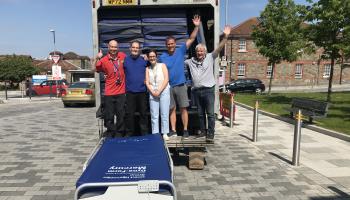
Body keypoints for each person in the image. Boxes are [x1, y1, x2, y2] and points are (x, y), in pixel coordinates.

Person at [185, 26, 231, 142]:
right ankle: (203, 131)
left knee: (210, 114)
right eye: (198, 51)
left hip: (208, 90)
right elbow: (176, 59)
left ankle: (210, 134)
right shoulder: (190, 61)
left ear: (205, 52)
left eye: (201, 51)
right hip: (197, 91)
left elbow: (220, 48)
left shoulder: (210, 57)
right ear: (196, 52)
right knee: (200, 114)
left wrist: (226, 36)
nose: (199, 53)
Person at [159, 15, 201, 139]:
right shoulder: (162, 57)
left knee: (183, 108)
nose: (170, 45)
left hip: (181, 85)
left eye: (172, 43)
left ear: (175, 44)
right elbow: (155, 67)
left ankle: (186, 130)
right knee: (172, 109)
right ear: (166, 45)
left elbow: (192, 38)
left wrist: (197, 26)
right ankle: (173, 130)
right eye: (168, 44)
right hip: (168, 87)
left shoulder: (181, 50)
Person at [93, 40, 127, 137]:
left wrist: (143, 57)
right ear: (108, 47)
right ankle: (111, 133)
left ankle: (120, 133)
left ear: (118, 47)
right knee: (109, 116)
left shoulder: (122, 56)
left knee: (121, 115)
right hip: (109, 93)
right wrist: (96, 58)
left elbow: (132, 61)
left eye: (115, 47)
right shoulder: (103, 60)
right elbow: (93, 69)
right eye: (111, 47)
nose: (113, 49)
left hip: (121, 91)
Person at [123, 41, 149, 136]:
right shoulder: (125, 60)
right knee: (129, 115)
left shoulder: (145, 60)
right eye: (133, 47)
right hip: (130, 92)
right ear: (130, 48)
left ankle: (144, 133)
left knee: (143, 114)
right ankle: (129, 133)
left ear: (139, 49)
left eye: (137, 48)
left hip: (142, 92)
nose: (135, 49)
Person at [145, 50, 170, 140]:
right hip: (152, 92)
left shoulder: (162, 65)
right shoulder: (147, 69)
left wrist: (159, 91)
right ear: (148, 58)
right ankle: (155, 133)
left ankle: (165, 133)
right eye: (150, 57)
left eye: (153, 56)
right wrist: (152, 91)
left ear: (156, 57)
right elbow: (147, 82)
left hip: (163, 91)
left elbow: (166, 79)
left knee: (164, 113)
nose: (152, 58)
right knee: (154, 115)